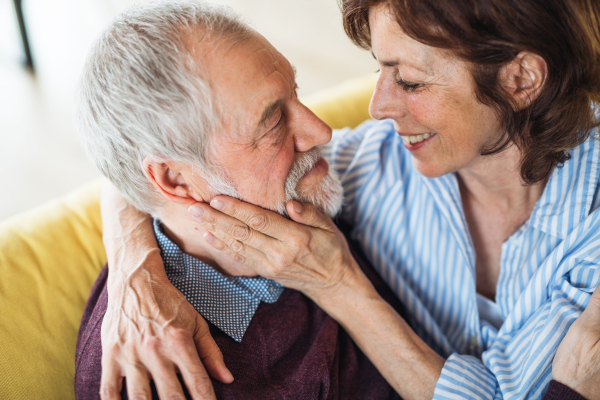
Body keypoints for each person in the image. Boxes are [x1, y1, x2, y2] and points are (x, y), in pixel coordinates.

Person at [97, 0, 600, 399]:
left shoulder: (589, 232)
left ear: (521, 80)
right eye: (380, 71)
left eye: (408, 81)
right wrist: (132, 264)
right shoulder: (374, 164)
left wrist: (338, 284)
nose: (376, 106)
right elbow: (140, 149)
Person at [74, 2, 405, 399]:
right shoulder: (156, 371)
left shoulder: (309, 189)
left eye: (295, 94)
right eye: (273, 122)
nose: (321, 132)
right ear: (176, 180)